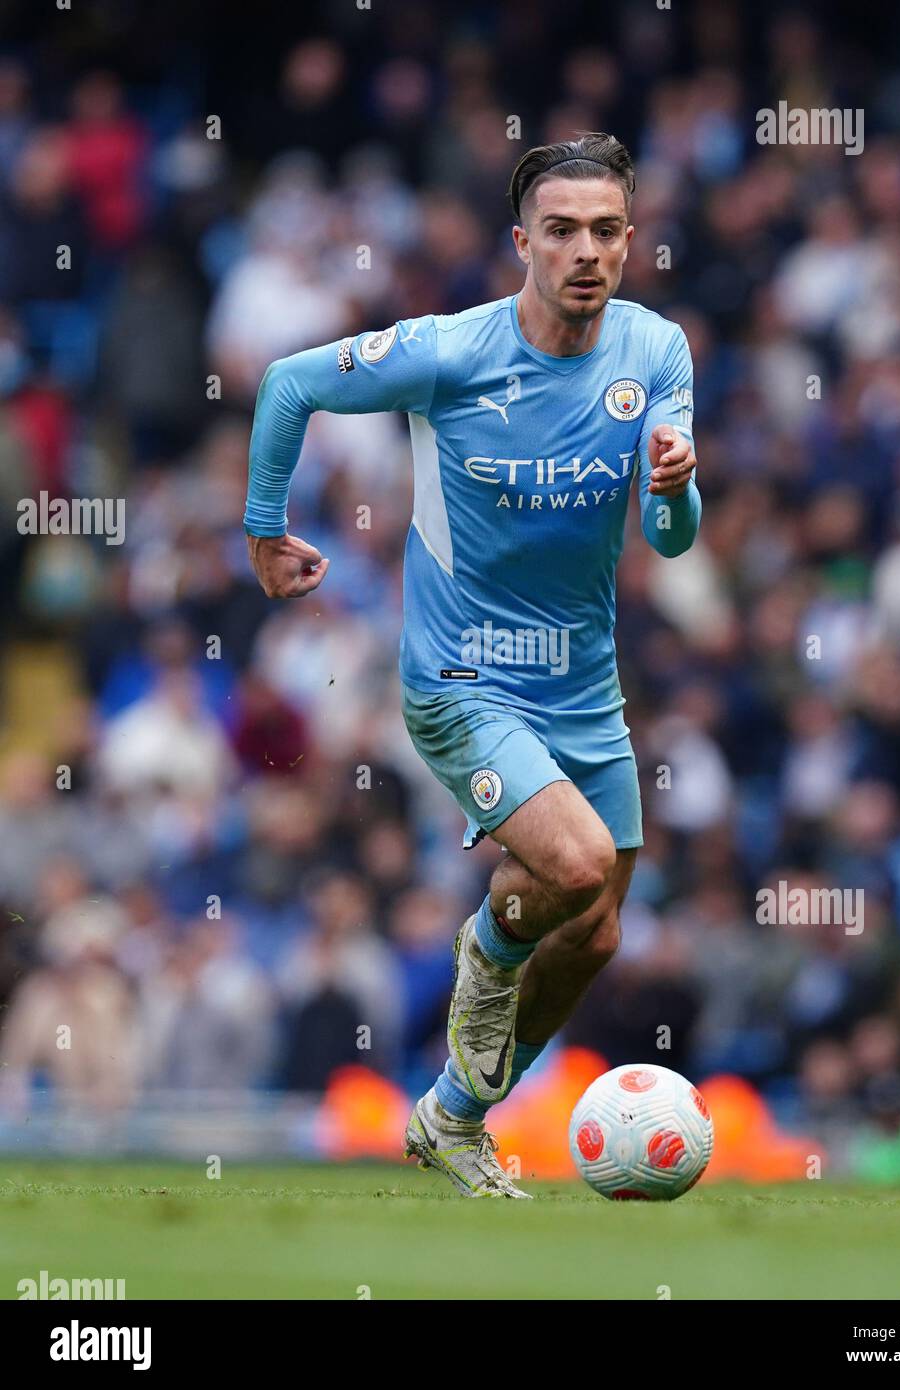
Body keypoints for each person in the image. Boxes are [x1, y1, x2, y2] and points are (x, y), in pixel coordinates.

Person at [244, 132, 701, 1197]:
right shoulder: (451, 352)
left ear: (629, 242)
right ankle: (486, 953)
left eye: (603, 230)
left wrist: (674, 485)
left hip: (583, 686)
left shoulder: (654, 353)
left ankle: (451, 1115)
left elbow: (671, 539)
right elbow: (286, 383)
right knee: (573, 866)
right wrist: (265, 528)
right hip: (462, 676)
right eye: (559, 231)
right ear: (521, 244)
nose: (583, 250)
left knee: (591, 932)